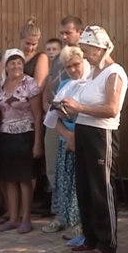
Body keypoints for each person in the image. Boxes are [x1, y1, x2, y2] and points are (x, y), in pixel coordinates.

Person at [59, 25, 128, 253]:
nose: (85, 55)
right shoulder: (93, 73)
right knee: (85, 188)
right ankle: (90, 237)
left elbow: (111, 108)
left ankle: (107, 244)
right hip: (84, 132)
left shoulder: (114, 72)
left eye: (87, 50)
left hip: (102, 135)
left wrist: (79, 107)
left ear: (101, 49)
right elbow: (86, 104)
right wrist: (68, 109)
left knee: (101, 188)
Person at [41, 45, 88, 238]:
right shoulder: (64, 85)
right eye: (68, 67)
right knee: (63, 180)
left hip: (85, 140)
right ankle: (63, 217)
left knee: (80, 183)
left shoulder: (91, 83)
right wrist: (67, 135)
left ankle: (80, 223)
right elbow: (53, 117)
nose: (73, 70)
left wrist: (76, 136)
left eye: (76, 65)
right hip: (66, 139)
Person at [0, 49, 43, 234]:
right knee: (9, 179)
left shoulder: (30, 84)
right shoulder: (1, 84)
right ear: (6, 66)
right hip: (6, 135)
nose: (16, 66)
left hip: (26, 134)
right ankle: (13, 218)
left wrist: (37, 142)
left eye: (19, 63)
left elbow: (38, 115)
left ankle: (26, 219)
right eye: (12, 62)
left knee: (24, 179)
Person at [42, 16, 85, 209]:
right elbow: (50, 81)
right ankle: (59, 211)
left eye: (68, 32)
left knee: (76, 171)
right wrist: (45, 102)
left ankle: (76, 214)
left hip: (76, 122)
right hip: (54, 116)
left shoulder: (85, 56)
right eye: (62, 33)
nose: (64, 36)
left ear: (79, 33)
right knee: (53, 165)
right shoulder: (59, 56)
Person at [0, 17, 49, 89]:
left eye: (34, 44)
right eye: (27, 43)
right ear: (21, 40)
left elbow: (38, 86)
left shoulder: (41, 57)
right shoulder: (8, 54)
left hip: (29, 97)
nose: (30, 47)